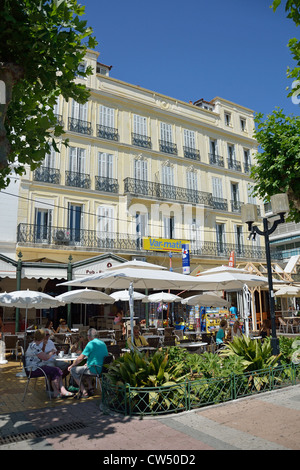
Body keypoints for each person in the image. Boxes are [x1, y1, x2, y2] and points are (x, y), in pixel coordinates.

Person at [25, 329, 73, 398]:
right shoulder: (34, 346)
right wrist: (52, 352)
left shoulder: (34, 345)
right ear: (42, 337)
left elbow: (42, 356)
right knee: (56, 370)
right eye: (45, 335)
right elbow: (45, 358)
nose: (47, 337)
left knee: (56, 370)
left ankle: (59, 391)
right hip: (33, 369)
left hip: (35, 367)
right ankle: (57, 391)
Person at [68, 328, 108, 397]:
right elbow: (97, 356)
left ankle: (83, 391)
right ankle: (90, 388)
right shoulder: (102, 343)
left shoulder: (91, 344)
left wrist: (72, 365)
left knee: (73, 370)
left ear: (89, 336)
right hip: (103, 369)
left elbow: (80, 358)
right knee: (85, 368)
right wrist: (88, 363)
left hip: (95, 369)